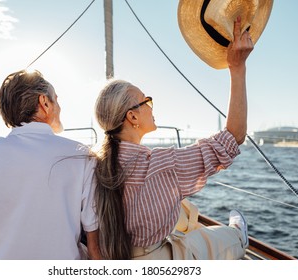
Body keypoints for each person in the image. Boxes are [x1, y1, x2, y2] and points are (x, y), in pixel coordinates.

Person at [93, 17, 253, 260]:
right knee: (229, 238)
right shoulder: (162, 166)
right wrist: (237, 68)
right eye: (146, 101)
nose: (151, 106)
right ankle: (239, 235)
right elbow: (233, 137)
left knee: (180, 212)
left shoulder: (92, 164)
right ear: (132, 117)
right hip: (156, 259)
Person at [0, 70, 101, 260]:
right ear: (44, 103)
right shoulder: (82, 156)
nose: (59, 107)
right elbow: (95, 244)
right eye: (56, 100)